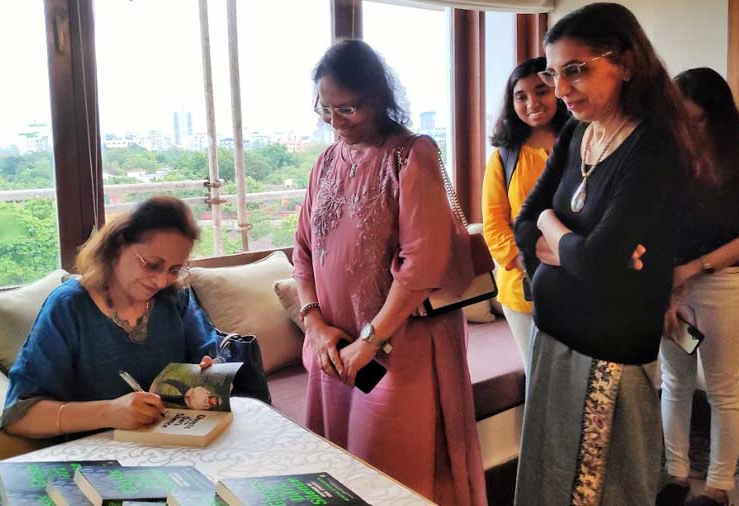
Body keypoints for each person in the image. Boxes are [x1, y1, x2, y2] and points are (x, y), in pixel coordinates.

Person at [512, 3, 702, 504]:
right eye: (555, 73)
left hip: (609, 351)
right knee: (551, 476)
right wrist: (567, 236)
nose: (561, 89)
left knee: (598, 488)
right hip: (552, 335)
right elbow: (523, 219)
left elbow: (596, 265)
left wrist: (553, 229)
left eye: (576, 70)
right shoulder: (576, 131)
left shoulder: (654, 145)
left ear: (626, 63)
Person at [292, 39, 486, 505]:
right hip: (335, 349)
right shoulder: (326, 162)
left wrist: (371, 340)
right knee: (337, 471)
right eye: (326, 110)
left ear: (377, 97)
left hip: (399, 349)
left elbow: (423, 264)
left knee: (394, 474)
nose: (336, 123)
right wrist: (315, 325)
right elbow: (302, 251)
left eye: (349, 109)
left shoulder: (411, 154)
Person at [656, 67, 739, 506]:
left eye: (693, 117)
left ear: (715, 113)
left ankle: (719, 486)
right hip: (670, 286)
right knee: (674, 381)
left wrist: (690, 269)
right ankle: (675, 474)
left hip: (724, 284)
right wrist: (669, 290)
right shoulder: (664, 160)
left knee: (722, 386)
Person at [0, 196, 217, 437]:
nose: (162, 280)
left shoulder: (175, 298)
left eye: (175, 270)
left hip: (178, 448)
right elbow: (19, 415)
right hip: (98, 462)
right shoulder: (69, 307)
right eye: (152, 264)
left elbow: (212, 359)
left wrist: (213, 373)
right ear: (119, 244)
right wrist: (108, 412)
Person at [483, 56, 569, 374]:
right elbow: (493, 223)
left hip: (580, 283)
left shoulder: (581, 143)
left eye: (541, 91)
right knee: (539, 376)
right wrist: (527, 261)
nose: (532, 102)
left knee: (577, 382)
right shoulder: (504, 157)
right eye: (521, 96)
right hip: (524, 288)